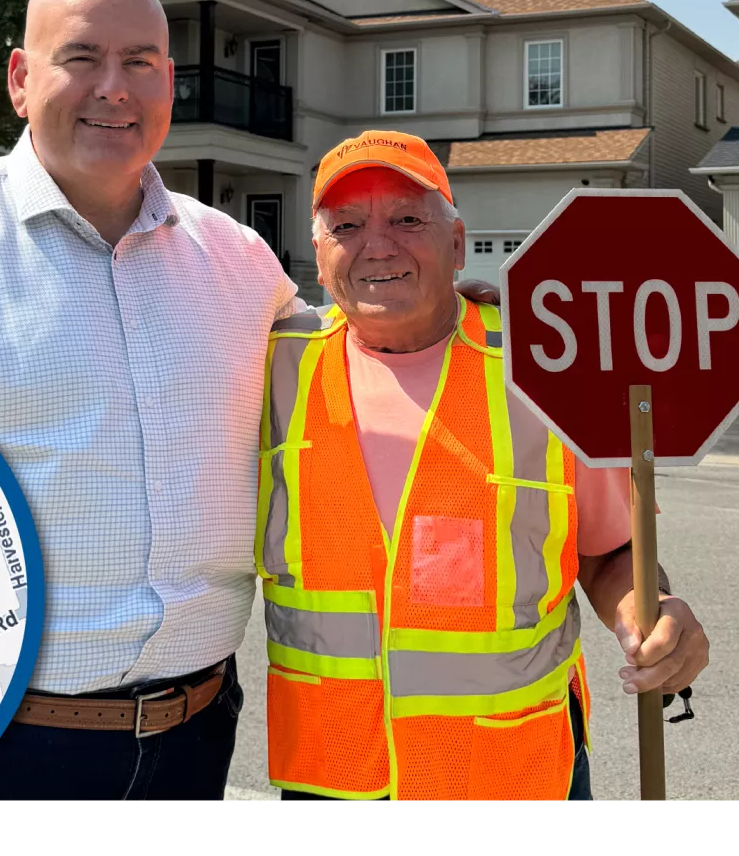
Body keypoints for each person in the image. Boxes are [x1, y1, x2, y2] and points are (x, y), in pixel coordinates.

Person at [0, 0, 492, 801]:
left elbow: (349, 348)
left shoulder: (235, 258)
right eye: (82, 58)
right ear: (21, 78)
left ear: (170, 84)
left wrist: (448, 306)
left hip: (194, 739)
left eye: (141, 62)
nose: (113, 89)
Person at [253, 130, 711, 801]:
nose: (378, 245)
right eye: (347, 225)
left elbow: (613, 551)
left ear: (459, 243)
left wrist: (652, 612)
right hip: (332, 776)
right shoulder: (268, 371)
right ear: (318, 259)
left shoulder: (548, 368)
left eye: (408, 218)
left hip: (513, 775)